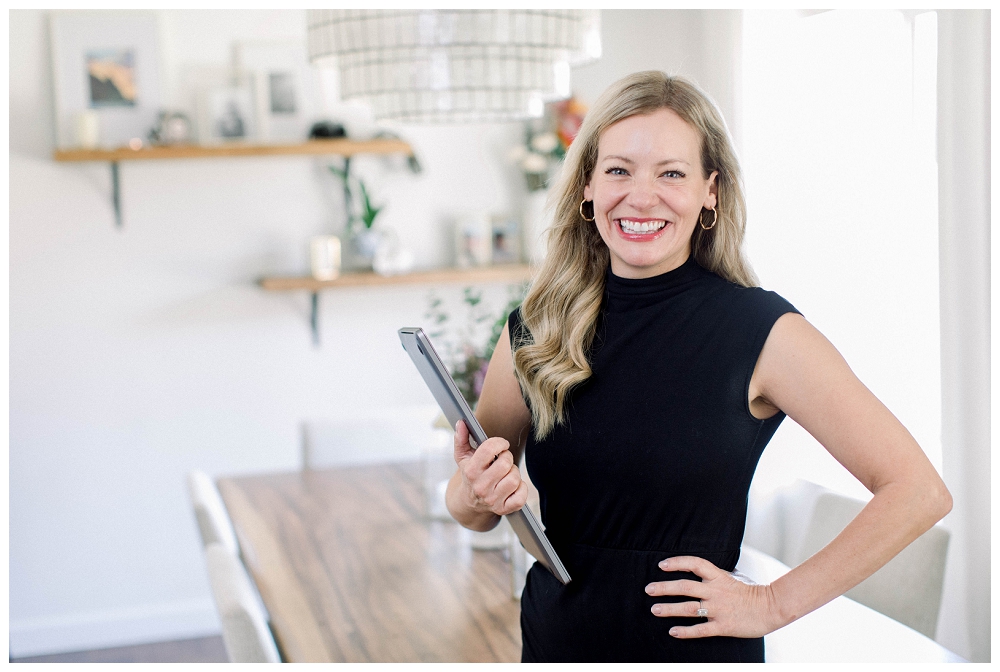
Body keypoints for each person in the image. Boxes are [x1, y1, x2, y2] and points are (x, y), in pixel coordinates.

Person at [444, 71, 952, 663]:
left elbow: (918, 493)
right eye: (618, 170)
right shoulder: (536, 328)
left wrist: (772, 603)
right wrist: (476, 493)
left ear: (711, 190)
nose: (641, 195)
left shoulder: (762, 332)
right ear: (587, 185)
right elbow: (470, 508)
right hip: (557, 645)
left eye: (671, 173)